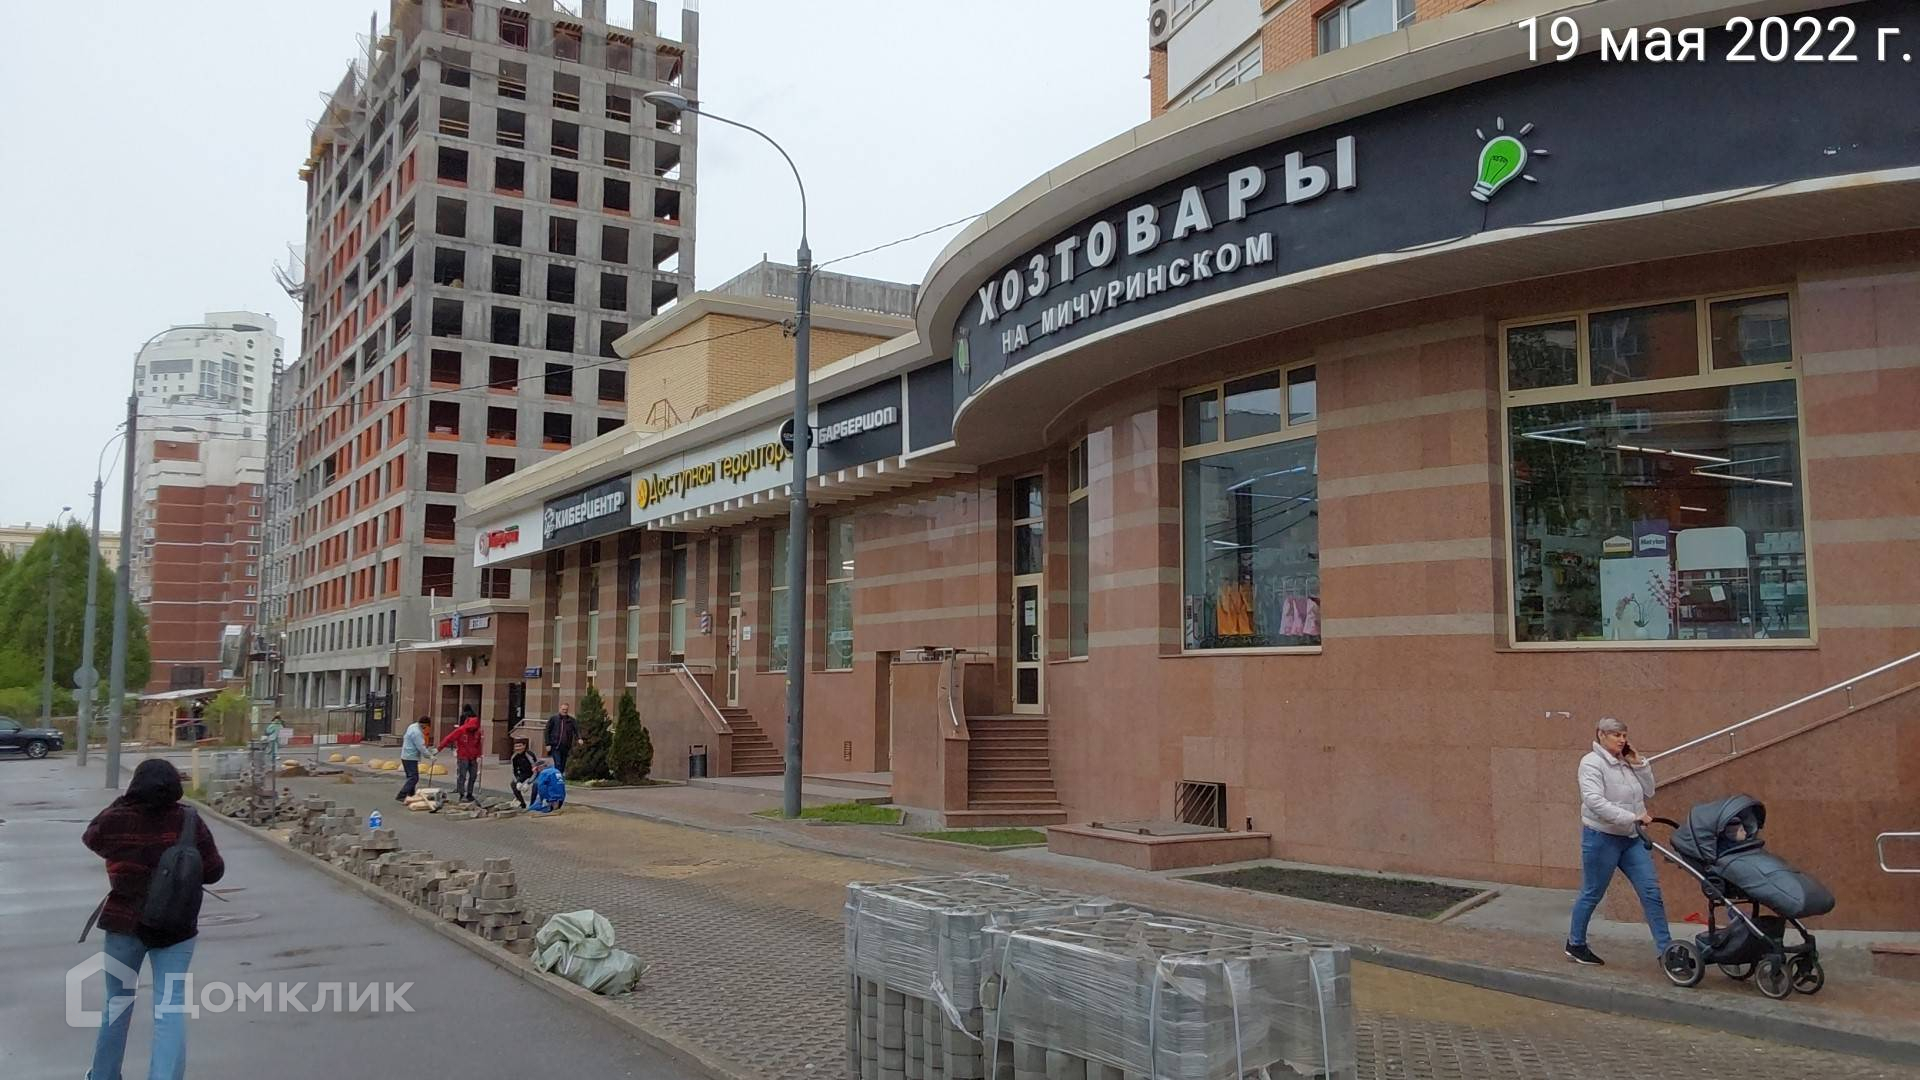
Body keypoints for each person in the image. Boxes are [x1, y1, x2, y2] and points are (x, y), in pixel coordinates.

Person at [82, 758, 226, 1080]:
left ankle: (104, 1075)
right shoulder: (189, 820)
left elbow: (91, 837)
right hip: (177, 928)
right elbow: (215, 871)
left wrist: (122, 802)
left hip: (123, 925)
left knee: (117, 1003)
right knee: (169, 1007)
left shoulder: (118, 819)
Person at [1567, 716, 1674, 968]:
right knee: (1592, 892)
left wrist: (1640, 764)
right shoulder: (1591, 763)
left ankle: (1667, 951)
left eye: (1624, 735)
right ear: (1601, 735)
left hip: (1632, 839)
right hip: (1602, 838)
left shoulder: (1626, 763)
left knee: (1651, 892)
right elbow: (1594, 800)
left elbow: (1649, 791)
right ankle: (1576, 943)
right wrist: (1631, 817)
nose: (1622, 740)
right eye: (1616, 735)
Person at [440, 706, 484, 803]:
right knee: (462, 775)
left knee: (473, 775)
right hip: (463, 756)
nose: (472, 731)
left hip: (473, 756)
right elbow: (448, 739)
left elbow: (478, 744)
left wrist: (479, 755)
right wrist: (439, 748)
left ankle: (469, 794)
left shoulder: (477, 732)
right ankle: (462, 794)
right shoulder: (461, 730)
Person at [396, 715, 433, 802]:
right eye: (426, 726)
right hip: (410, 757)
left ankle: (411, 795)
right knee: (414, 778)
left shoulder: (412, 726)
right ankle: (402, 795)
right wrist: (430, 756)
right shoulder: (417, 733)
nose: (426, 728)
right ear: (424, 724)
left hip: (406, 755)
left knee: (410, 777)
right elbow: (421, 747)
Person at [544, 702, 578, 777]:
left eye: (566, 710)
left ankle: (559, 777)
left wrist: (579, 738)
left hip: (565, 746)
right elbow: (547, 731)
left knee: (563, 764)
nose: (564, 711)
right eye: (563, 709)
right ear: (560, 709)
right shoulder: (554, 719)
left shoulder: (571, 720)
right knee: (558, 763)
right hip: (555, 745)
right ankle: (557, 778)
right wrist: (547, 743)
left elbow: (576, 730)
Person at [509, 737, 539, 808]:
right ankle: (522, 804)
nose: (518, 748)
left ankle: (532, 805)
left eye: (520, 746)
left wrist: (528, 783)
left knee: (536, 785)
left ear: (524, 746)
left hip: (535, 773)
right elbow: (514, 771)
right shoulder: (514, 757)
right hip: (523, 774)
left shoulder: (530, 755)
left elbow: (535, 770)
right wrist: (518, 782)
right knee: (513, 784)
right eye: (516, 746)